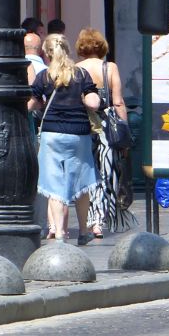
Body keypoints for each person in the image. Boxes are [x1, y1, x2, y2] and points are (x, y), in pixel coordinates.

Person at [29, 34, 101, 244]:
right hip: (79, 134)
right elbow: (93, 100)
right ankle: (84, 231)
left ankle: (59, 231)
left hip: (51, 134)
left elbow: (32, 102)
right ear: (67, 49)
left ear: (47, 53)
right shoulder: (81, 74)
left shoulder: (44, 76)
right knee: (81, 183)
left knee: (54, 184)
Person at [75, 27, 131, 238]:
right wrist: (124, 128)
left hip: (83, 124)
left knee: (88, 171)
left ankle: (90, 219)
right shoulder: (110, 67)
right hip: (106, 124)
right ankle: (98, 219)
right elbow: (118, 101)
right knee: (106, 173)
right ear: (102, 46)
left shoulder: (76, 68)